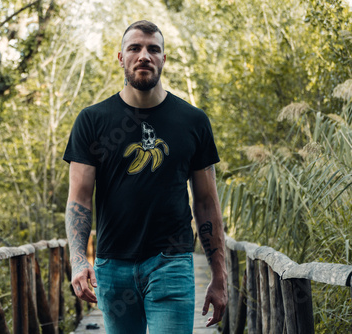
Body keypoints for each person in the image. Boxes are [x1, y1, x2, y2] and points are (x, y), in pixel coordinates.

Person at [63, 20, 227, 334]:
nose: (144, 56)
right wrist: (78, 259)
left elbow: (207, 202)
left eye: (153, 49)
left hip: (173, 262)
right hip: (112, 266)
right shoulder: (92, 121)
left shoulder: (193, 121)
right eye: (135, 48)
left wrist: (219, 276)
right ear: (121, 58)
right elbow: (79, 198)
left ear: (164, 58)